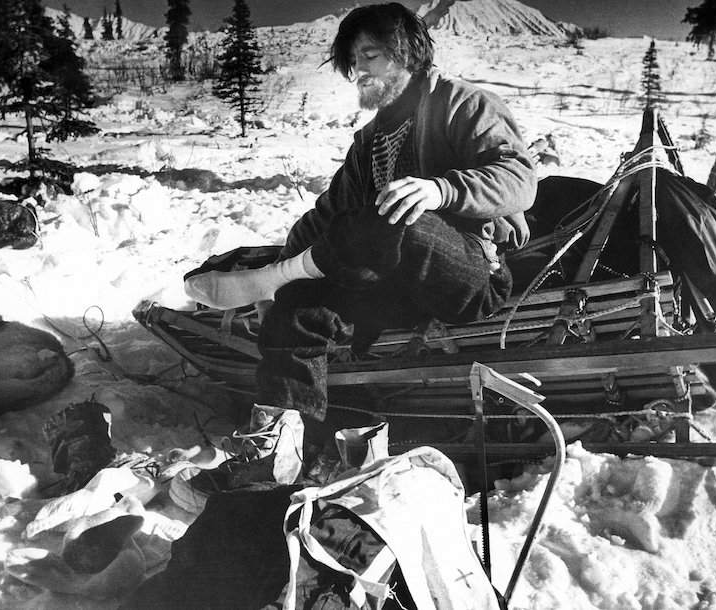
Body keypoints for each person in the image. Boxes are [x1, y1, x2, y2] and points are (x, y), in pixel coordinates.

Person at [185, 2, 536, 464]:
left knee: (392, 216)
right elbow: (327, 217)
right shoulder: (368, 141)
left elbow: (518, 178)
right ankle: (279, 453)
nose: (358, 71)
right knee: (297, 309)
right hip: (397, 288)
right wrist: (283, 272)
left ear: (407, 54)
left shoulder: (463, 104)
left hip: (468, 274)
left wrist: (440, 190)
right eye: (353, 61)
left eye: (370, 56)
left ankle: (277, 277)